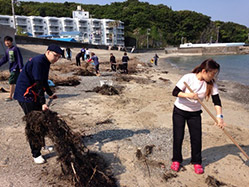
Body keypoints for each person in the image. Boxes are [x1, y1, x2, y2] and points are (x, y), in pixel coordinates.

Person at [171, 58, 226, 174]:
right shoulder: (188, 77)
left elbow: (217, 101)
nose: (213, 77)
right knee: (178, 136)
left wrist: (219, 117)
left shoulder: (212, 84)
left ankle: (196, 162)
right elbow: (175, 92)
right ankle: (176, 160)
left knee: (196, 138)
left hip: (195, 114)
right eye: (212, 74)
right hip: (179, 111)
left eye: (215, 74)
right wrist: (189, 95)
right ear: (204, 71)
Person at [14, 44, 63, 164]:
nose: (56, 59)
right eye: (55, 56)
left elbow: (44, 80)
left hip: (33, 93)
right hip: (25, 95)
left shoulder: (46, 62)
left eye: (59, 57)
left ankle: (42, 145)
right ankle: (36, 154)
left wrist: (50, 94)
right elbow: (38, 83)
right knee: (34, 123)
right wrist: (43, 103)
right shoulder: (38, 62)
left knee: (41, 121)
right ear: (48, 52)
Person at [0, 36, 23, 101]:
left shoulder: (15, 49)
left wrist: (21, 67)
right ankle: (20, 94)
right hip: (12, 68)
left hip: (16, 68)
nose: (7, 42)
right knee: (18, 82)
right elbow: (5, 59)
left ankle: (10, 96)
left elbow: (19, 58)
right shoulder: (7, 50)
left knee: (11, 81)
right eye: (5, 41)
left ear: (11, 41)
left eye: (8, 41)